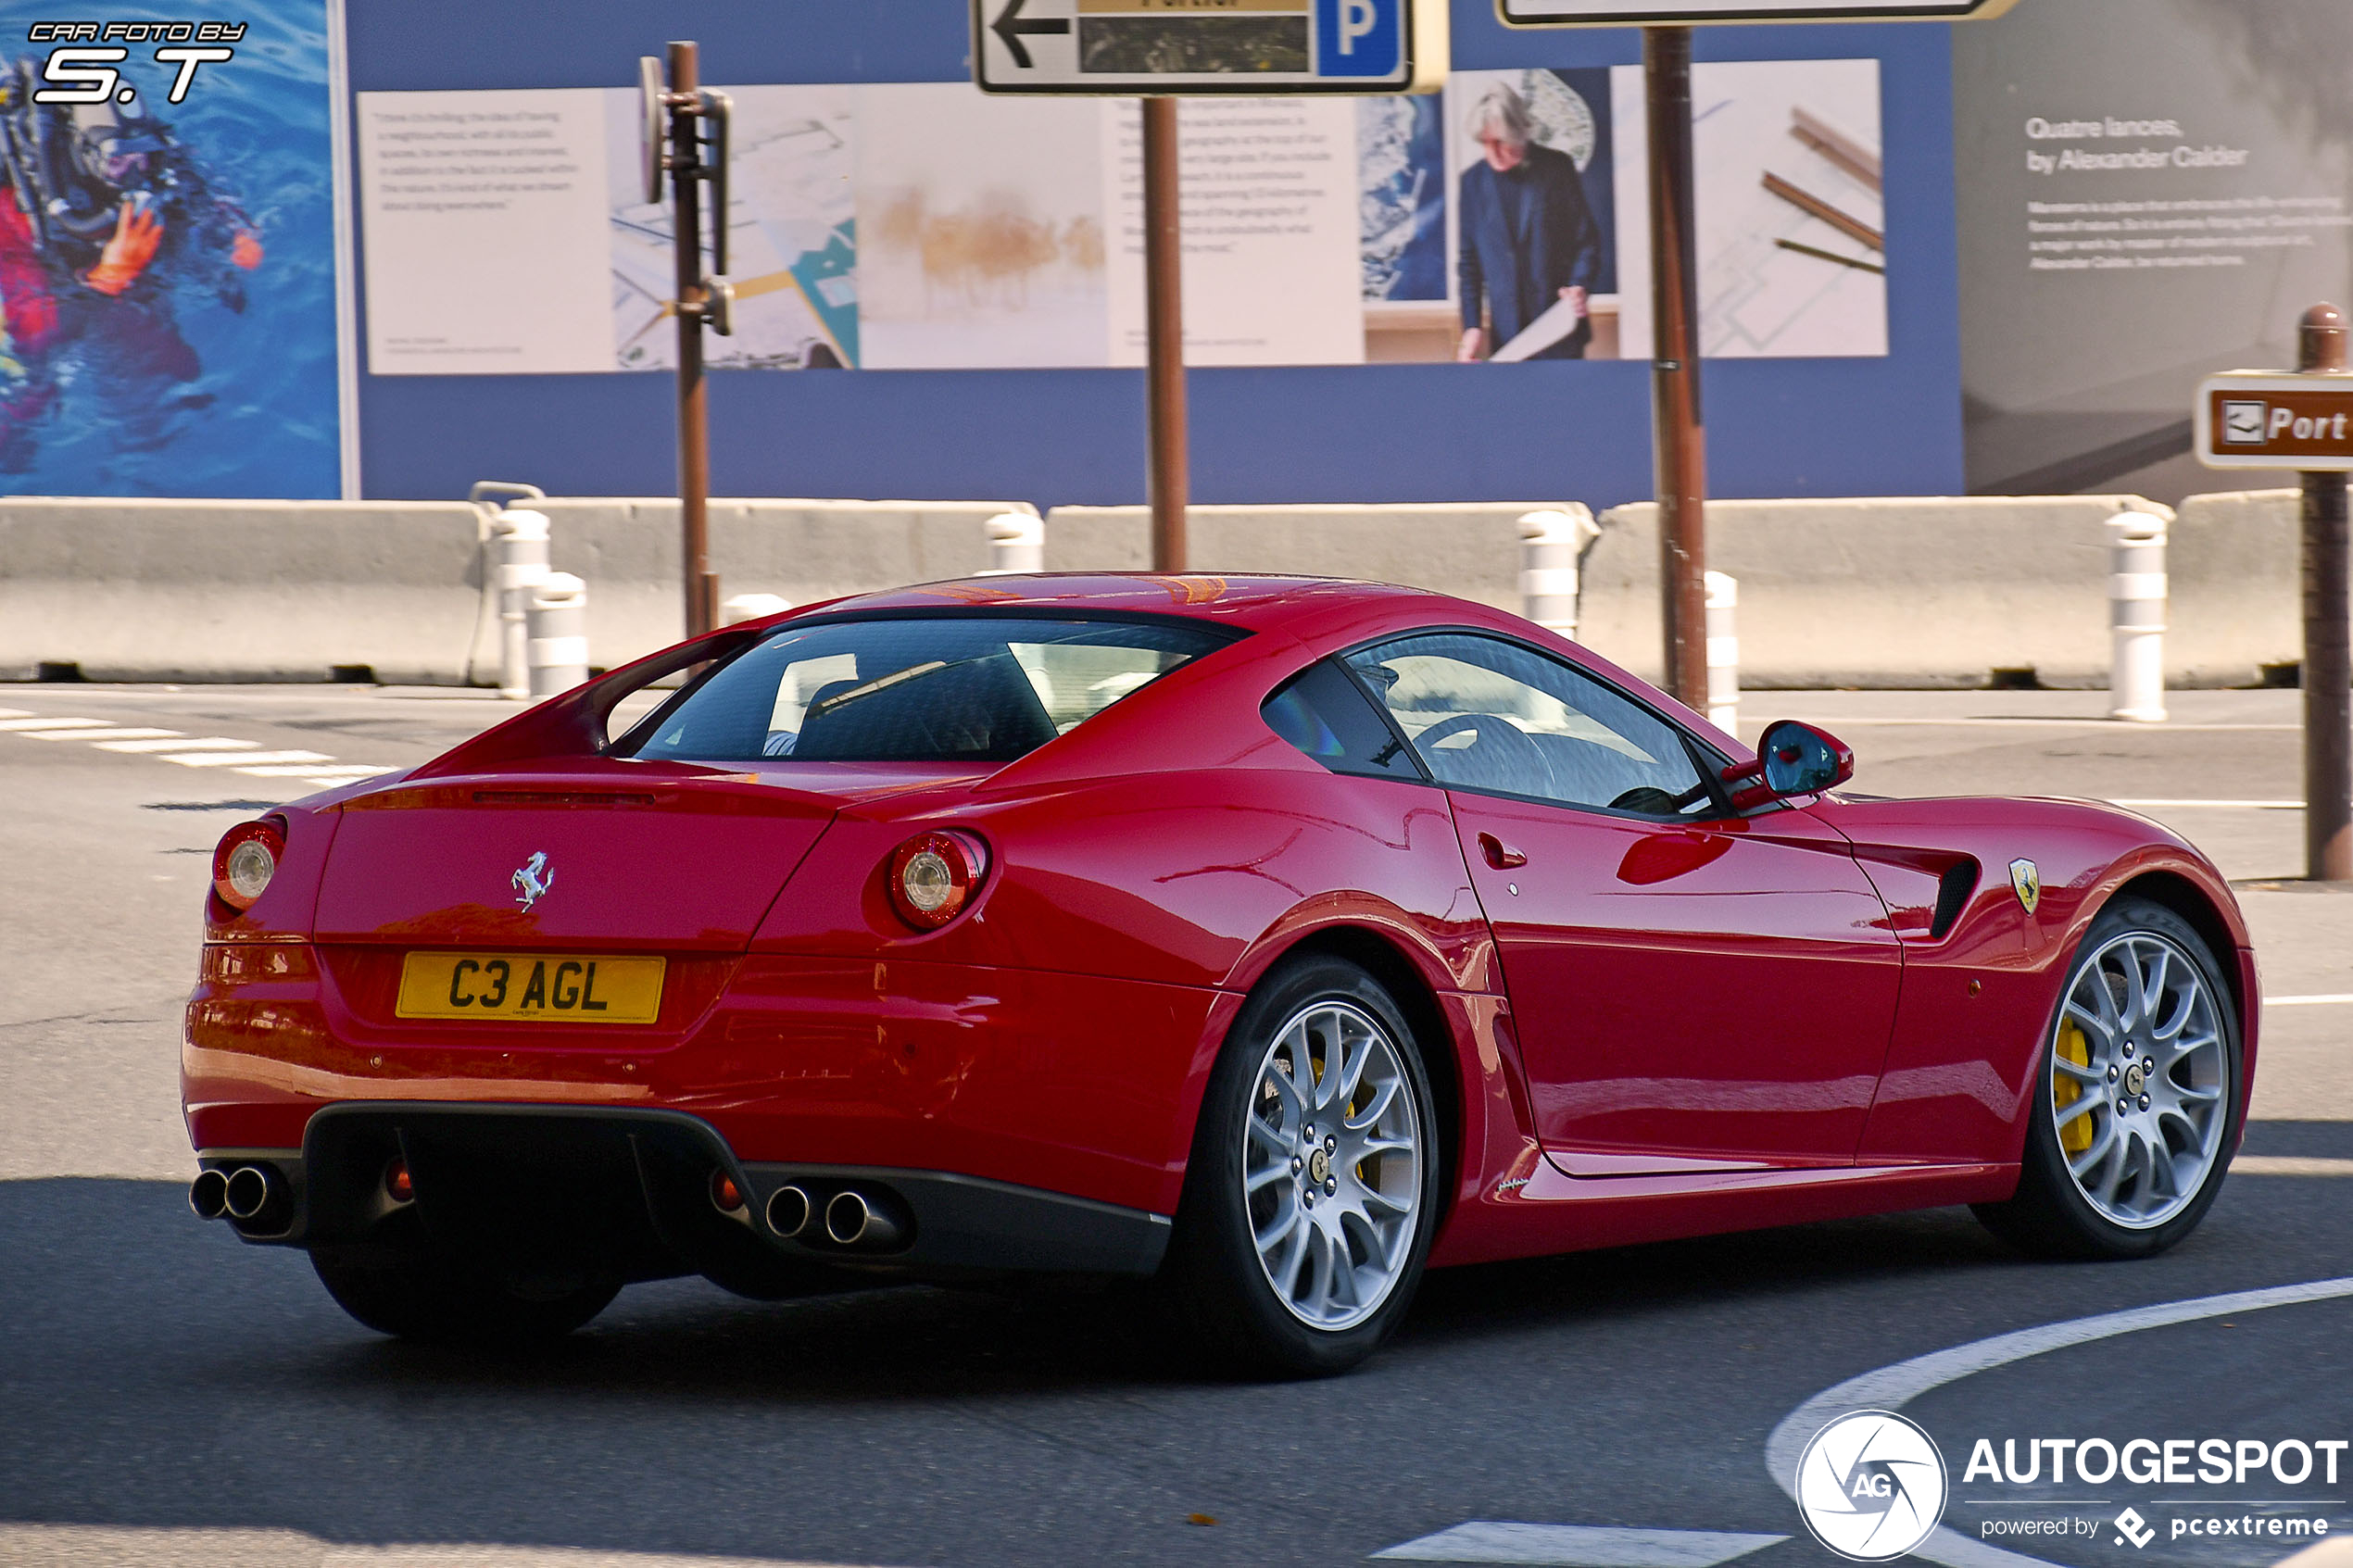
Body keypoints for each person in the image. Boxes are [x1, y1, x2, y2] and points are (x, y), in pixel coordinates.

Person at [1455, 81, 1604, 362]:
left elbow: (1587, 241)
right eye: (1485, 143)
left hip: (1559, 330)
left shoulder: (1557, 168)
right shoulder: (1471, 183)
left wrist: (1578, 285)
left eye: (1500, 142)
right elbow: (1469, 263)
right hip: (1507, 338)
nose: (1492, 153)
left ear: (1521, 132)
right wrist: (1472, 327)